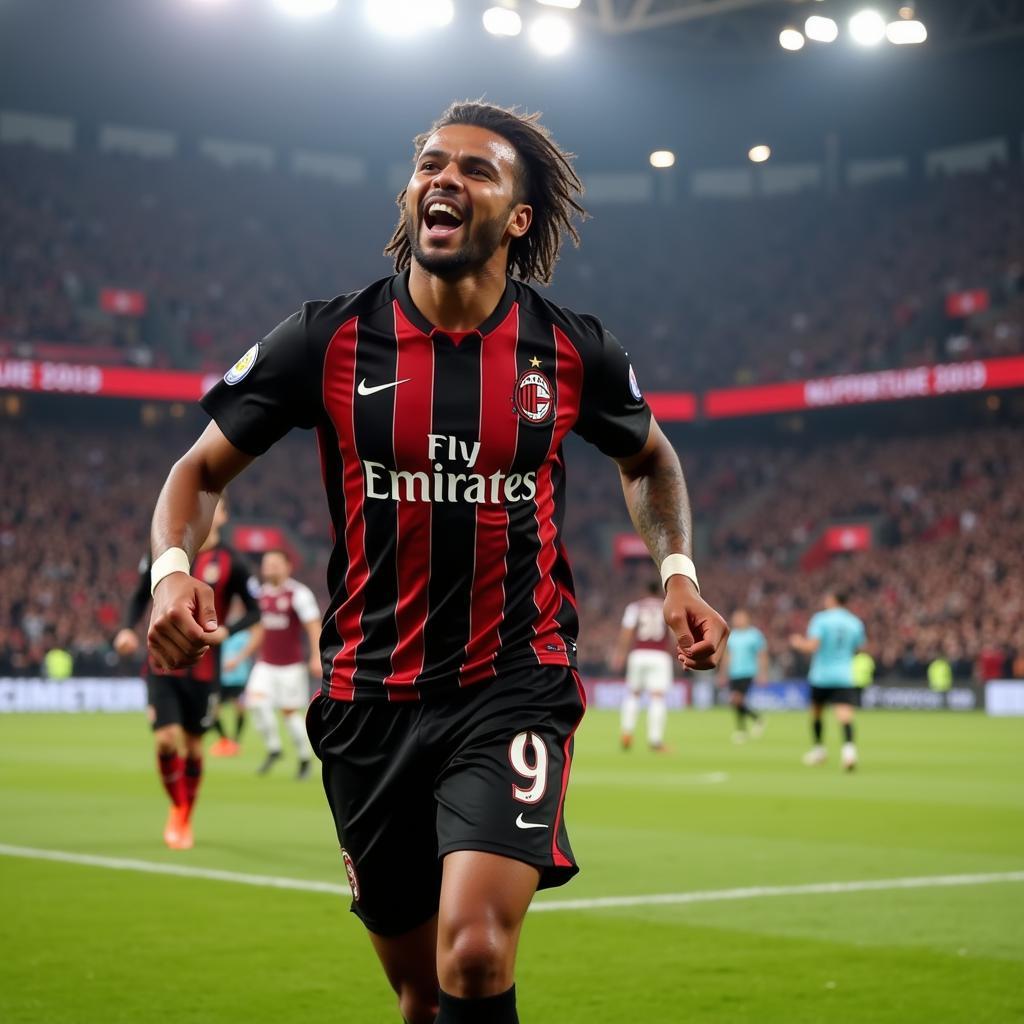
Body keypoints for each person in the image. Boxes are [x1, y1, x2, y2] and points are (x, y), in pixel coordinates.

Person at [147, 101, 728, 1024]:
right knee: (420, 992)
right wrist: (173, 567)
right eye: (429, 165)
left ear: (519, 217)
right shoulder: (325, 339)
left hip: (513, 680)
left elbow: (649, 458)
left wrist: (679, 576)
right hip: (365, 700)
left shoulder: (572, 349)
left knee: (475, 951)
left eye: (476, 170)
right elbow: (197, 471)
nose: (443, 179)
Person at [117, 496, 259, 848]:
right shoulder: (164, 554)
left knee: (194, 748)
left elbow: (256, 611)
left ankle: (185, 813)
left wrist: (229, 629)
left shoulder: (234, 563)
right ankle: (178, 806)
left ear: (223, 515)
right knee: (166, 740)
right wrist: (125, 629)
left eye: (215, 507)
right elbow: (139, 594)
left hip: (204, 669)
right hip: (162, 662)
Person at [224, 549, 320, 779]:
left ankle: (305, 757)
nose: (270, 568)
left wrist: (316, 656)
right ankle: (275, 748)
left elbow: (313, 626)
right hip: (265, 663)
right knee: (256, 703)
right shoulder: (259, 595)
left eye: (276, 563)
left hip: (290, 666)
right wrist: (240, 657)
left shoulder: (298, 594)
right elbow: (259, 632)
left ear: (288, 566)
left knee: (289, 713)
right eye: (267, 564)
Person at [790, 591, 866, 772]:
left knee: (816, 713)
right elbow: (859, 646)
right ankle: (849, 753)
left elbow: (812, 646)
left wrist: (798, 642)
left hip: (821, 675)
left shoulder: (821, 619)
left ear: (832, 600)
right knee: (845, 716)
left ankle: (819, 750)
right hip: (844, 675)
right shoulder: (855, 622)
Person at [611, 580, 675, 751]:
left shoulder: (635, 607)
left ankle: (626, 732)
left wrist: (620, 655)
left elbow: (626, 633)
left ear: (645, 591)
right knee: (657, 697)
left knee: (633, 694)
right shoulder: (666, 606)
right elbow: (673, 634)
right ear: (659, 592)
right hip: (659, 655)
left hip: (638, 654)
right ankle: (655, 740)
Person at [719, 609, 767, 743]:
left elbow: (761, 654)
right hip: (734, 672)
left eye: (740, 618)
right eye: (736, 618)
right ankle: (744, 728)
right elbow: (727, 656)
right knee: (736, 702)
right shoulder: (732, 636)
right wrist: (723, 673)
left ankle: (754, 721)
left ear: (747, 619)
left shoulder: (755, 635)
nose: (737, 620)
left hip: (748, 672)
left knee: (736, 699)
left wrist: (762, 672)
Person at [210, 626, 255, 757]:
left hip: (239, 679)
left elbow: (250, 650)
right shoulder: (217, 633)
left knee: (240, 709)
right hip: (220, 679)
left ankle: (235, 741)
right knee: (213, 712)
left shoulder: (243, 635)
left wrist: (237, 661)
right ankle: (224, 740)